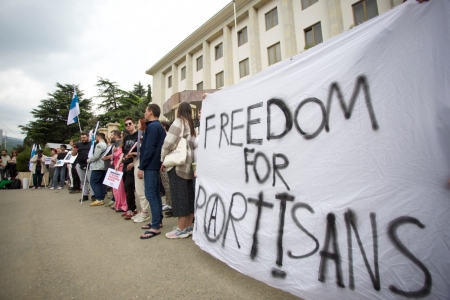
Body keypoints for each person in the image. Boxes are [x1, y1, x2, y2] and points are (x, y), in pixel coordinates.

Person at [160, 102, 196, 239]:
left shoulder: (179, 121)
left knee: (179, 197)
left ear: (178, 111)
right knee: (188, 197)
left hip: (178, 165)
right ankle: (188, 226)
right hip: (189, 166)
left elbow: (168, 142)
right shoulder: (192, 126)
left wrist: (163, 157)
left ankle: (181, 229)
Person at [138, 104, 166, 239]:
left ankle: (155, 226)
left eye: (145, 110)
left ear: (150, 112)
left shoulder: (153, 127)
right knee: (154, 194)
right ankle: (157, 221)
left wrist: (141, 167)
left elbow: (149, 148)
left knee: (151, 195)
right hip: (154, 164)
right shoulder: (157, 126)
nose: (144, 112)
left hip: (150, 165)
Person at [132, 117, 151, 223]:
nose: (137, 125)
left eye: (139, 123)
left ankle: (145, 212)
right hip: (137, 162)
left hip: (142, 163)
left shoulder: (145, 136)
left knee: (141, 188)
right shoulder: (141, 136)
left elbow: (146, 152)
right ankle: (142, 210)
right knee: (138, 189)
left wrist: (134, 154)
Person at [121, 117, 139, 218]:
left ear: (134, 124)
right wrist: (123, 159)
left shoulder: (139, 135)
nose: (128, 126)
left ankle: (132, 209)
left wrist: (133, 162)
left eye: (130, 123)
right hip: (125, 164)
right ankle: (132, 208)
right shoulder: (127, 138)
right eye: (126, 124)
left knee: (130, 186)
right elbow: (124, 151)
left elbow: (141, 151)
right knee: (127, 188)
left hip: (134, 164)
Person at [72, 133, 93, 201]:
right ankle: (85, 195)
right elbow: (73, 154)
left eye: (84, 137)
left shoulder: (92, 143)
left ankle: (93, 194)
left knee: (90, 180)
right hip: (80, 164)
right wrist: (74, 151)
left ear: (88, 137)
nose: (83, 139)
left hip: (90, 164)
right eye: (81, 138)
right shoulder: (78, 144)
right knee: (82, 180)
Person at [88, 132, 108, 206]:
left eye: (96, 137)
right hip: (104, 166)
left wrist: (89, 160)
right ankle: (101, 198)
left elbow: (96, 156)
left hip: (98, 166)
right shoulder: (106, 145)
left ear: (98, 137)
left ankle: (99, 198)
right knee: (101, 182)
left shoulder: (99, 145)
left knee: (93, 182)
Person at [160, 121, 173, 217]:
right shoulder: (166, 135)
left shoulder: (166, 136)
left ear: (164, 127)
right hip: (165, 162)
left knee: (167, 184)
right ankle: (169, 202)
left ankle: (170, 204)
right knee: (166, 184)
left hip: (166, 162)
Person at [112, 138, 128, 213]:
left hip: (120, 167)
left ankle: (123, 205)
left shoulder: (124, 147)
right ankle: (117, 204)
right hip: (115, 167)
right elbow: (113, 156)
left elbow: (122, 156)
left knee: (120, 188)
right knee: (115, 188)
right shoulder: (118, 147)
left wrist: (118, 164)